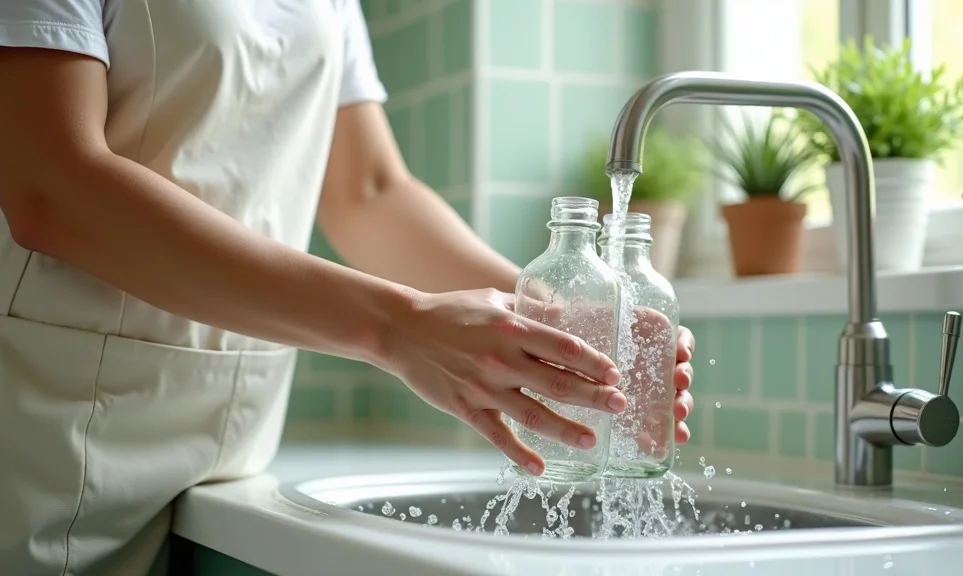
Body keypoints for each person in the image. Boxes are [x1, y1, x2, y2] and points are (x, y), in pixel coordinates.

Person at [0, 1, 697, 574]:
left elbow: (369, 191)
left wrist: (562, 323)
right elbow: (50, 183)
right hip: (48, 433)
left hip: (232, 445)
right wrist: (396, 325)